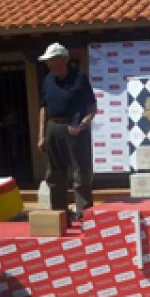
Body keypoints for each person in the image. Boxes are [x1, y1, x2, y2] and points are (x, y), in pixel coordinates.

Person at [37, 42, 97, 225]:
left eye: (51, 60)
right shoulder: (48, 80)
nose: (48, 64)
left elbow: (92, 109)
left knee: (81, 174)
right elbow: (43, 108)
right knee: (55, 175)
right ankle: (60, 216)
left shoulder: (79, 78)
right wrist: (41, 135)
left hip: (75, 129)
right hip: (53, 128)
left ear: (62, 60)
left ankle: (85, 216)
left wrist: (82, 125)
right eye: (47, 61)